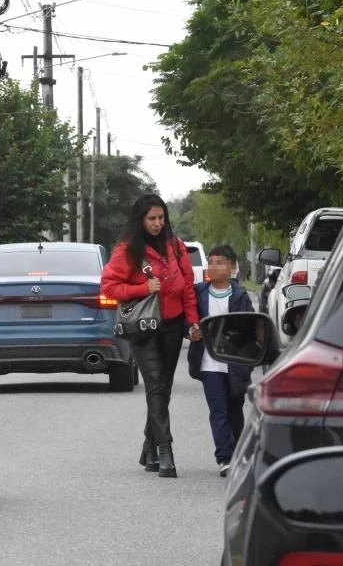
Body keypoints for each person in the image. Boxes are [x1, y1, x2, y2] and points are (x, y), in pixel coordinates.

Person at [101, 193, 199, 478]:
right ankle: (165, 452)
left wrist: (193, 322)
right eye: (151, 219)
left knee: (162, 388)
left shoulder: (176, 247)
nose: (157, 223)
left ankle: (148, 448)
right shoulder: (128, 250)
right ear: (140, 220)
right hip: (143, 328)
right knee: (156, 385)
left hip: (172, 326)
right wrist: (142, 288)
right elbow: (109, 286)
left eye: (161, 218)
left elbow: (188, 288)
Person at [186, 245, 254, 477]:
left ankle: (238, 453)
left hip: (234, 363)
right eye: (211, 262)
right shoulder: (198, 293)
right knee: (218, 410)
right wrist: (190, 331)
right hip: (208, 363)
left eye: (220, 262)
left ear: (232, 267)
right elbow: (188, 319)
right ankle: (224, 457)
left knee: (235, 408)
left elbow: (250, 329)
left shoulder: (240, 296)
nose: (214, 266)